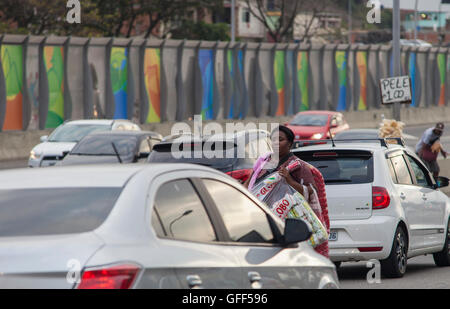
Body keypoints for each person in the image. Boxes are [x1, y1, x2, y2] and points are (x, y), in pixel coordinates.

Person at [243, 125, 330, 258]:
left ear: (289, 143)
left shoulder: (297, 166)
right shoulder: (263, 163)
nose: (276, 143)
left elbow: (310, 192)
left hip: (288, 220)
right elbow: (249, 184)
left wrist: (289, 180)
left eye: (280, 139)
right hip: (263, 219)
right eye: (273, 139)